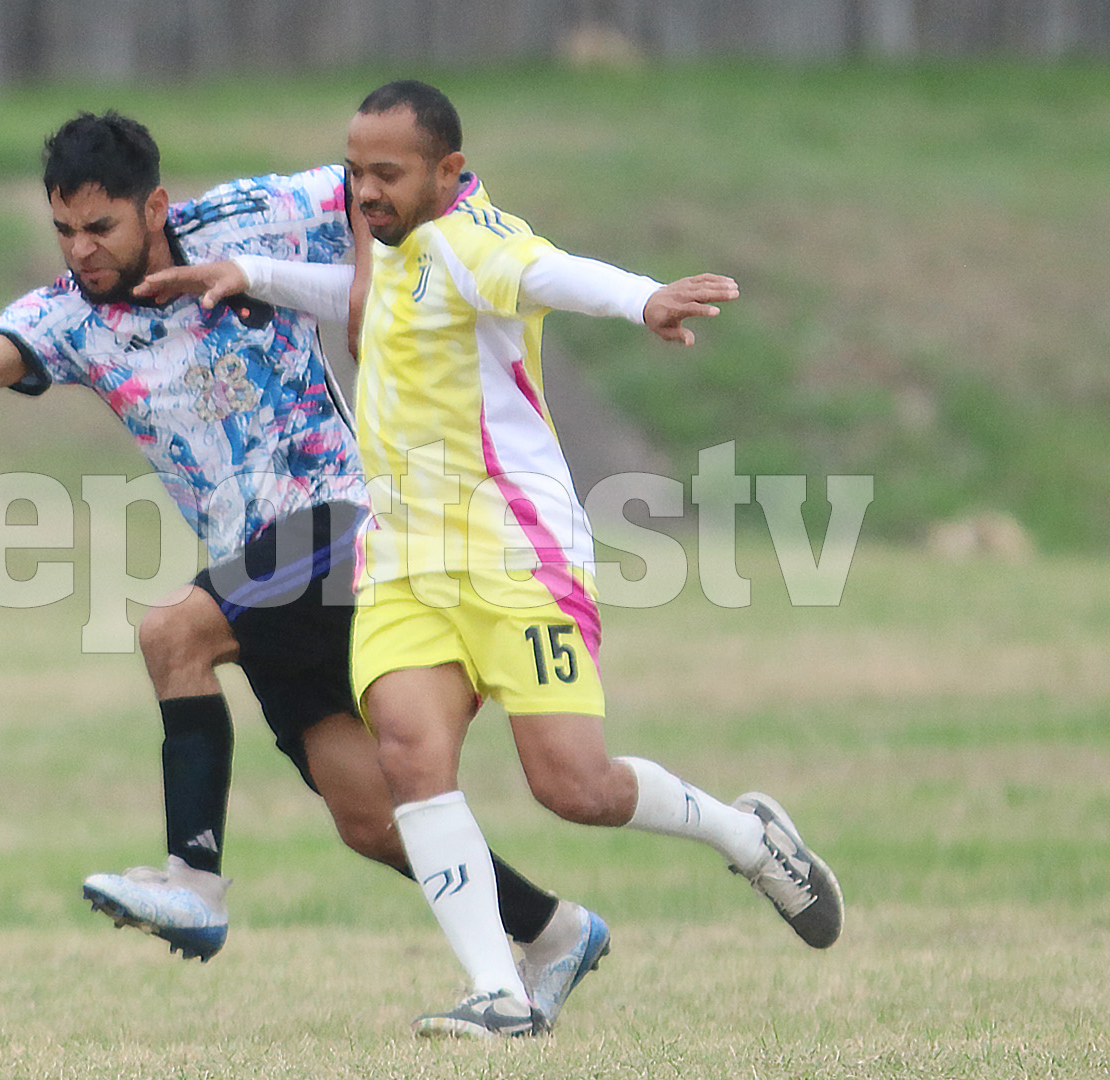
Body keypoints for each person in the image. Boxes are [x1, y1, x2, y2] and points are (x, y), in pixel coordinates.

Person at [0, 111, 610, 1027]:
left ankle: (194, 879)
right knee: (369, 820)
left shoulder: (246, 219)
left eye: (101, 228)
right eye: (64, 231)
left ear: (154, 206)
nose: (81, 250)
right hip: (256, 565)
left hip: (344, 518)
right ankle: (553, 930)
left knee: (172, 633)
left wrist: (365, 291)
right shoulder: (69, 317)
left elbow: (365, 193)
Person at [325, 79, 842, 1038]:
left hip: (514, 553)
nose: (363, 192)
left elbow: (550, 272)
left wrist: (644, 297)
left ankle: (745, 834)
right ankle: (500, 992)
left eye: (385, 174)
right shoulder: (395, 245)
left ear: (447, 171)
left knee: (575, 786)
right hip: (400, 559)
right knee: (409, 755)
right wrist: (244, 276)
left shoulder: (473, 240)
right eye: (355, 171)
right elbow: (359, 298)